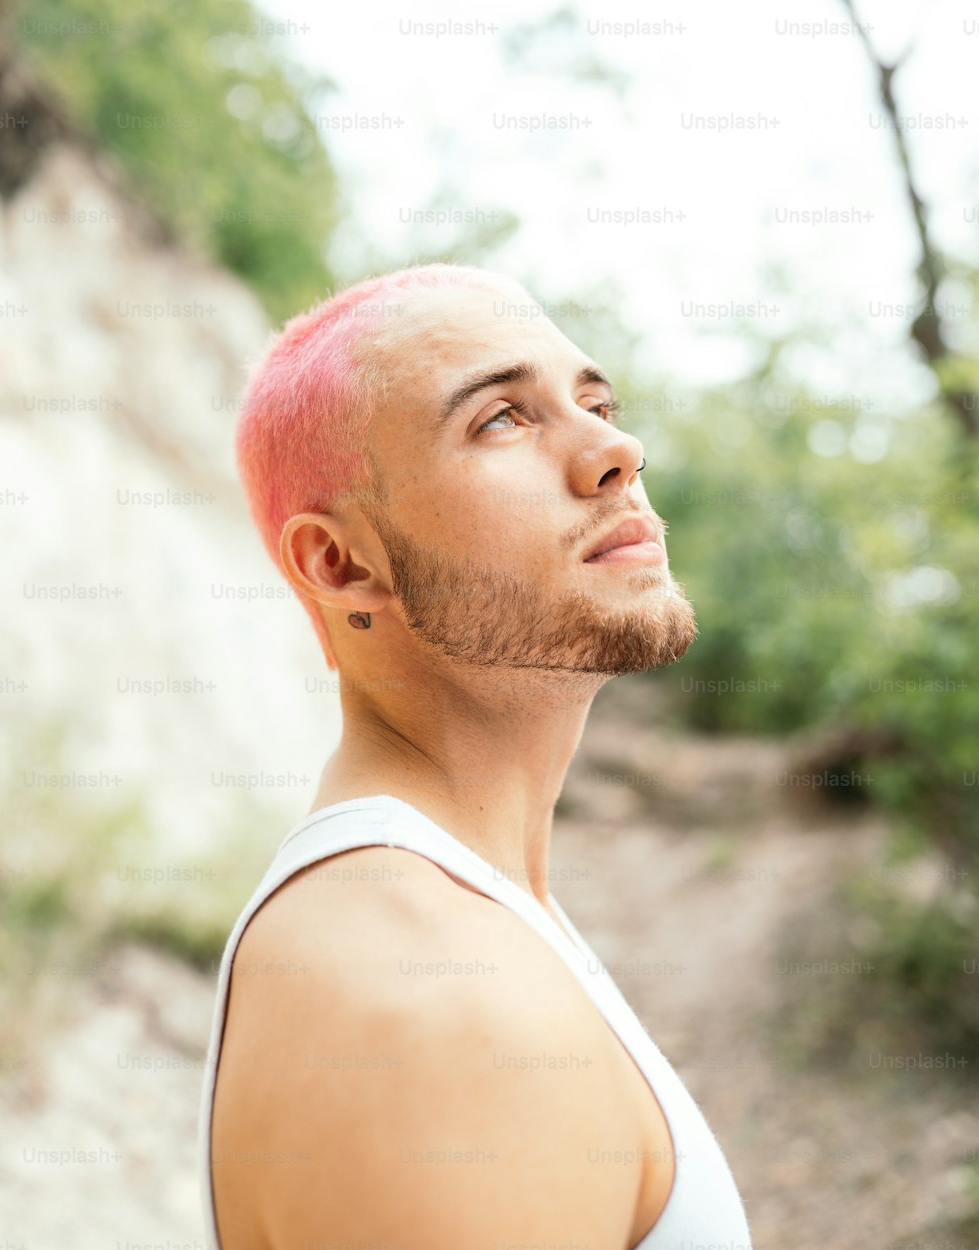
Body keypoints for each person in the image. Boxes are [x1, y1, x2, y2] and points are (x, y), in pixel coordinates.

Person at [198, 263, 752, 1250]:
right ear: (341, 563)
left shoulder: (463, 913)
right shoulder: (431, 1007)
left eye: (594, 400)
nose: (616, 448)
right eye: (501, 418)